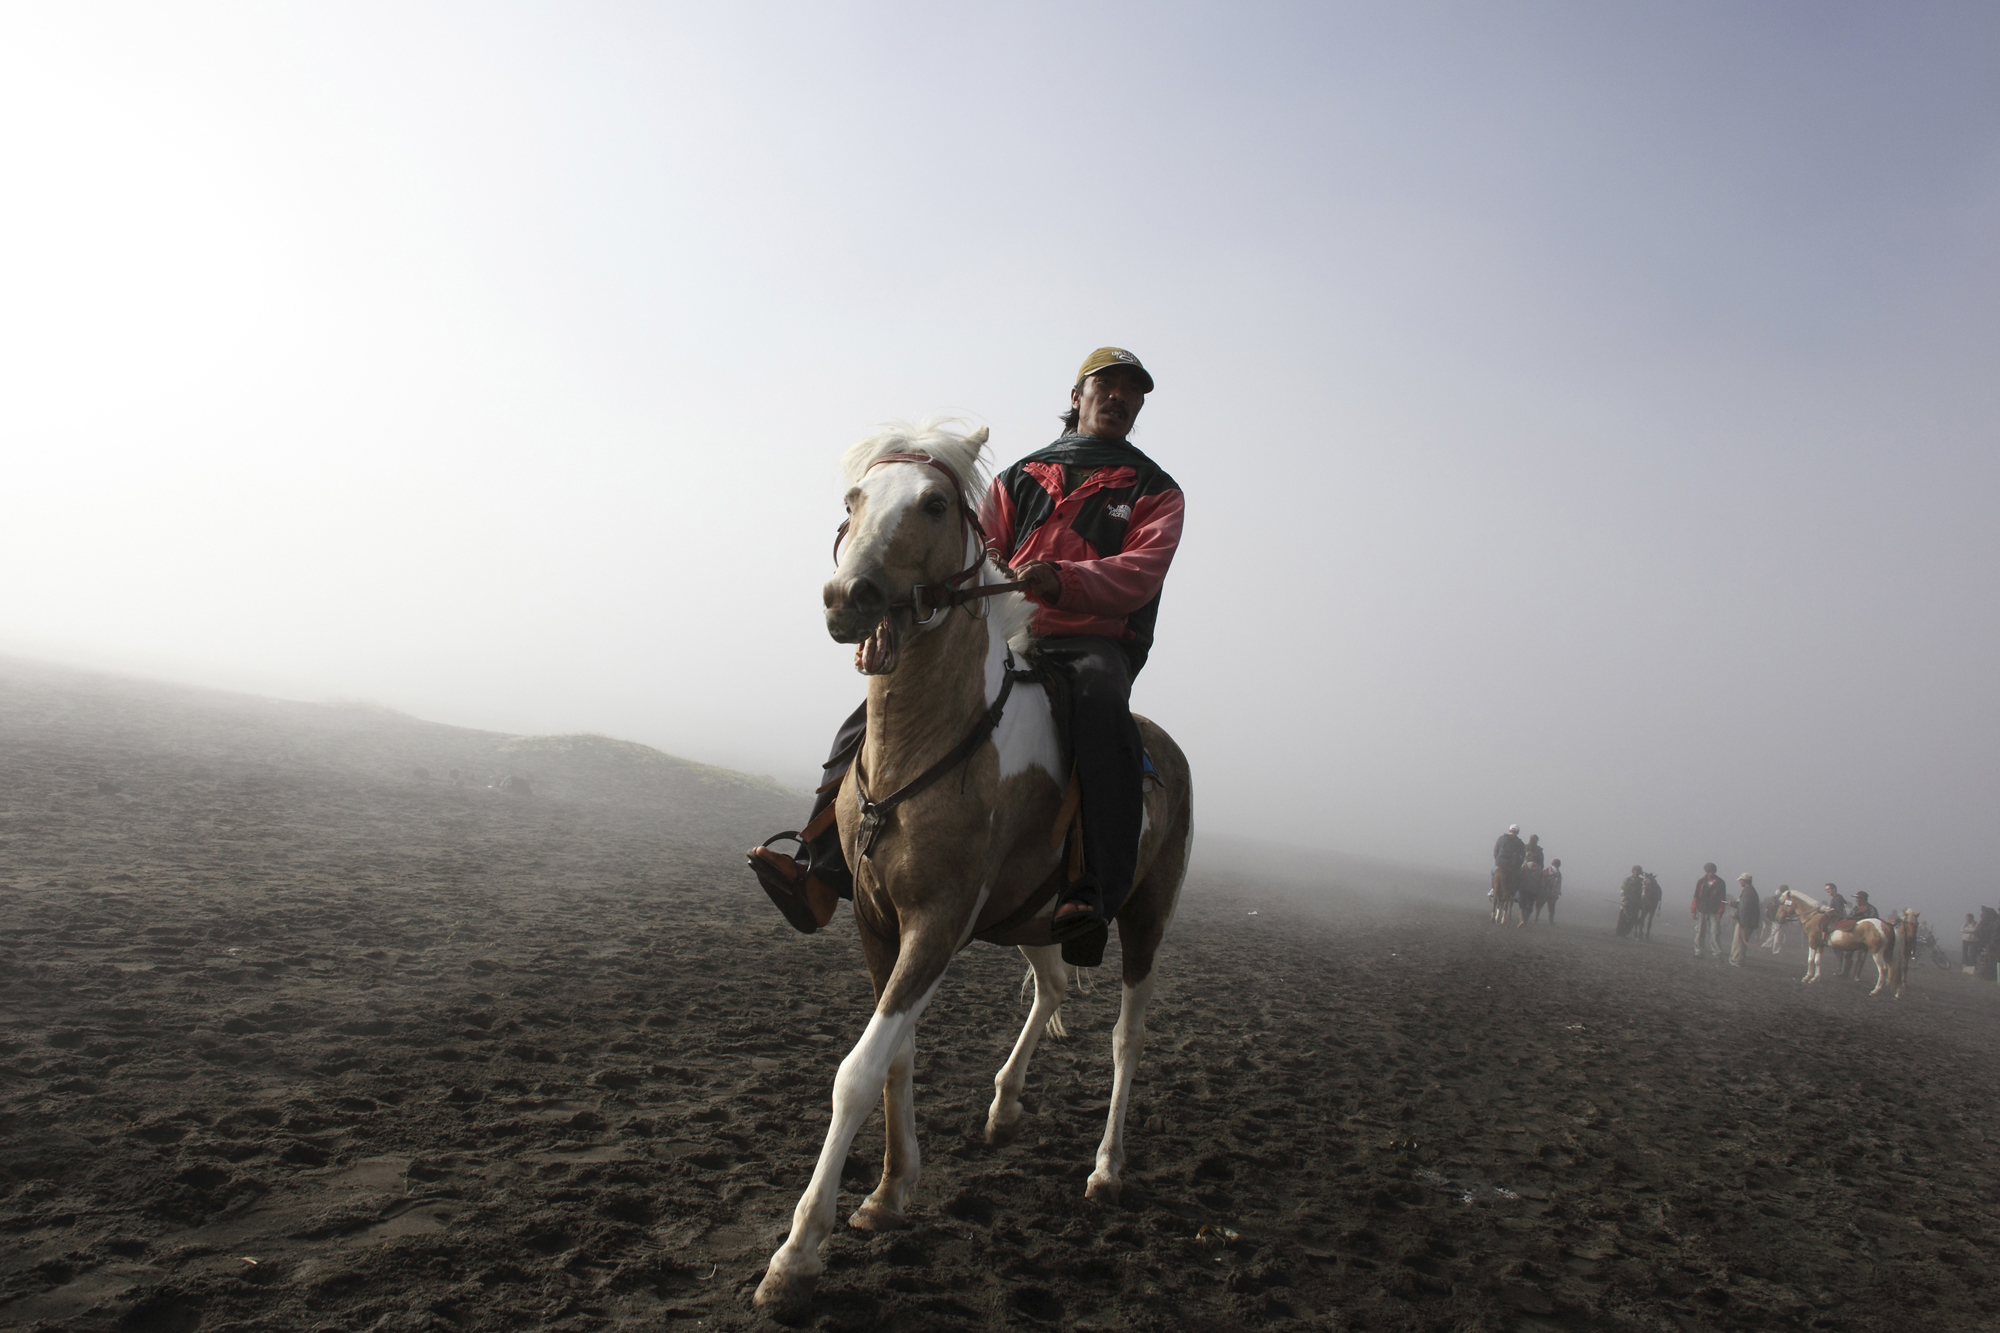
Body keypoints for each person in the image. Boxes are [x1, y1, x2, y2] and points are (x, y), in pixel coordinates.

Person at [747, 347, 1184, 967]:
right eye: (1104, 385)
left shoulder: (1157, 490)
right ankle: (817, 862)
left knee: (1101, 708)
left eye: (1130, 391)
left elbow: (1141, 572)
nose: (1117, 398)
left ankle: (1092, 889)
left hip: (1091, 642)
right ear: (1077, 394)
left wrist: (1064, 581)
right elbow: (977, 552)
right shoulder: (1022, 476)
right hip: (1005, 628)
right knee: (874, 712)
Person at [1692, 862, 1728, 959]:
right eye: (1709, 871)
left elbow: (1722, 899)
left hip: (1714, 910)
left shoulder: (1720, 883)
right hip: (1702, 909)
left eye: (1712, 871)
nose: (1711, 873)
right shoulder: (1701, 882)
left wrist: (1720, 912)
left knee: (1715, 932)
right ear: (1706, 871)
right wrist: (1693, 909)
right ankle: (1699, 951)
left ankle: (1717, 953)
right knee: (1700, 931)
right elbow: (1696, 896)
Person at [1729, 873, 1762, 966]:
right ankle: (1737, 960)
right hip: (1748, 921)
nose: (1739, 882)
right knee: (1740, 942)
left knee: (1739, 942)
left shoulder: (1748, 892)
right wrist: (1733, 904)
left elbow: (1744, 907)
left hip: (1745, 922)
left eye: (1740, 880)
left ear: (1744, 881)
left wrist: (1737, 916)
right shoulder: (1750, 891)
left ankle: (1737, 960)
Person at [1617, 865, 1645, 937]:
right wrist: (1625, 899)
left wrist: (1641, 902)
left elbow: (1643, 892)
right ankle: (1619, 933)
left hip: (1635, 903)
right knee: (1623, 917)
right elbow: (1623, 890)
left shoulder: (1642, 881)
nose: (1636, 872)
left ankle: (1626, 933)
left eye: (1638, 871)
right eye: (1635, 871)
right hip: (1626, 902)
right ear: (1633, 871)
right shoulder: (1627, 880)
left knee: (1632, 919)